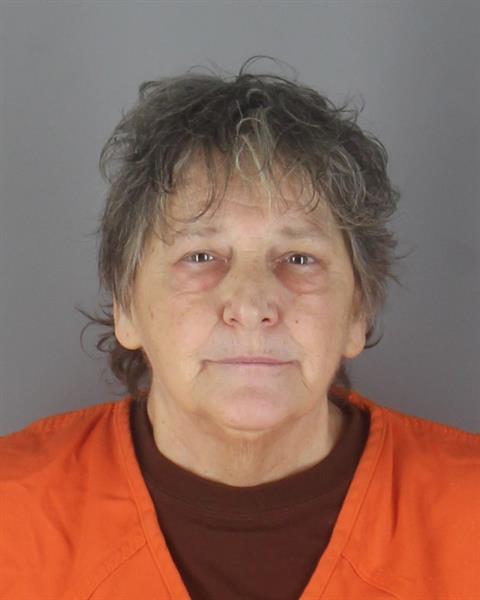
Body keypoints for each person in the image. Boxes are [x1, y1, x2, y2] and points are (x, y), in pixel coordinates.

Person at [1, 57, 479, 600]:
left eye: (299, 258)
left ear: (357, 312)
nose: (252, 304)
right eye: (200, 255)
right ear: (125, 307)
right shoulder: (10, 514)